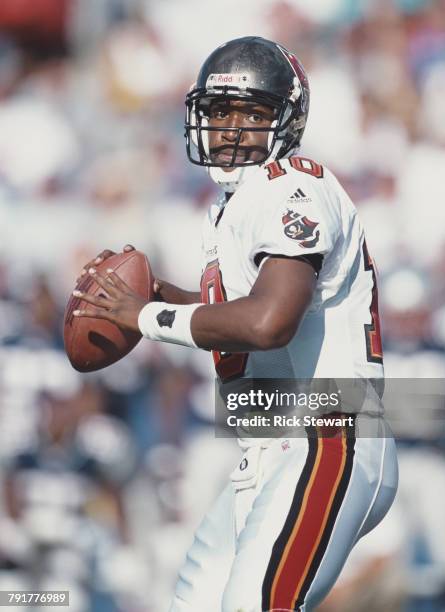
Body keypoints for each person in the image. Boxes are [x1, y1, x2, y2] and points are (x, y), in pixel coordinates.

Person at [73, 36, 398, 611]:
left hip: (330, 435)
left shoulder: (293, 187)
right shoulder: (233, 205)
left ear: (286, 121)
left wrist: (145, 313)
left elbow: (270, 322)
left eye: (253, 113)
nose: (232, 128)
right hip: (269, 445)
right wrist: (149, 295)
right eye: (220, 112)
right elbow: (234, 318)